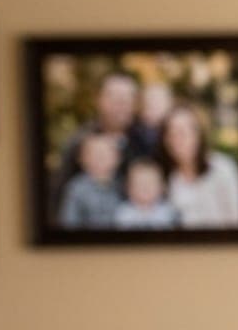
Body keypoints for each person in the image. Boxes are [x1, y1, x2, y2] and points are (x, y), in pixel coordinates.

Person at [51, 71, 155, 217]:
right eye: (114, 98)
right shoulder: (80, 141)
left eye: (127, 99)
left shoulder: (146, 141)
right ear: (99, 100)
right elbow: (59, 196)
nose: (121, 105)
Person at [158, 102, 238, 228]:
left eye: (182, 132)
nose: (176, 140)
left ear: (199, 134)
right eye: (170, 134)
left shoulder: (223, 168)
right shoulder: (167, 178)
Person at [58, 132, 123, 229]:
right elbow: (68, 221)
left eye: (106, 153)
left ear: (117, 158)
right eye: (94, 154)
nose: (100, 158)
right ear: (82, 159)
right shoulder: (76, 188)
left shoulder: (123, 184)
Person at [113, 157, 177, 229]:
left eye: (150, 183)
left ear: (162, 187)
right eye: (139, 183)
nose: (145, 188)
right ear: (128, 188)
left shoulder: (168, 213)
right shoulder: (123, 214)